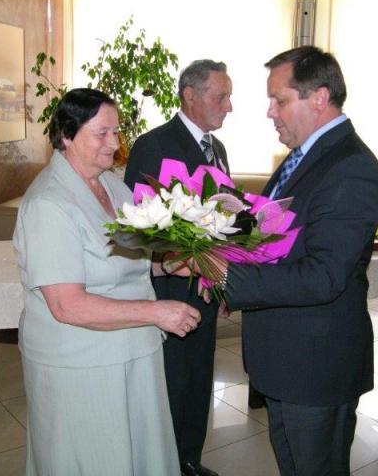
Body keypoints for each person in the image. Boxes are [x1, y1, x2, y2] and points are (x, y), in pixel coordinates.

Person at [198, 46, 378, 475]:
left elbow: (324, 275)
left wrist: (231, 278)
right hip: (287, 359)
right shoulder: (305, 156)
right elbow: (273, 240)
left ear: (318, 98)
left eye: (279, 100)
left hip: (316, 366)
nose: (270, 112)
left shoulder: (350, 168)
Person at [13, 88, 201, 476]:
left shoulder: (114, 186)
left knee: (136, 453)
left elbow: (124, 261)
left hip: (132, 350)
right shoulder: (48, 204)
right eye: (102, 133)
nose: (115, 144)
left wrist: (168, 266)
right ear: (67, 135)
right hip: (81, 364)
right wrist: (156, 312)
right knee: (93, 458)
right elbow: (67, 305)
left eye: (116, 132)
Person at [124, 59, 232, 476]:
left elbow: (221, 220)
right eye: (220, 96)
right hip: (168, 290)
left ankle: (189, 458)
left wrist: (222, 281)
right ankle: (165, 463)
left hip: (205, 287)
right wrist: (178, 260)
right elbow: (137, 226)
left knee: (200, 380)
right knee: (172, 382)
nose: (228, 106)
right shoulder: (154, 145)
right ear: (190, 95)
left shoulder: (217, 149)